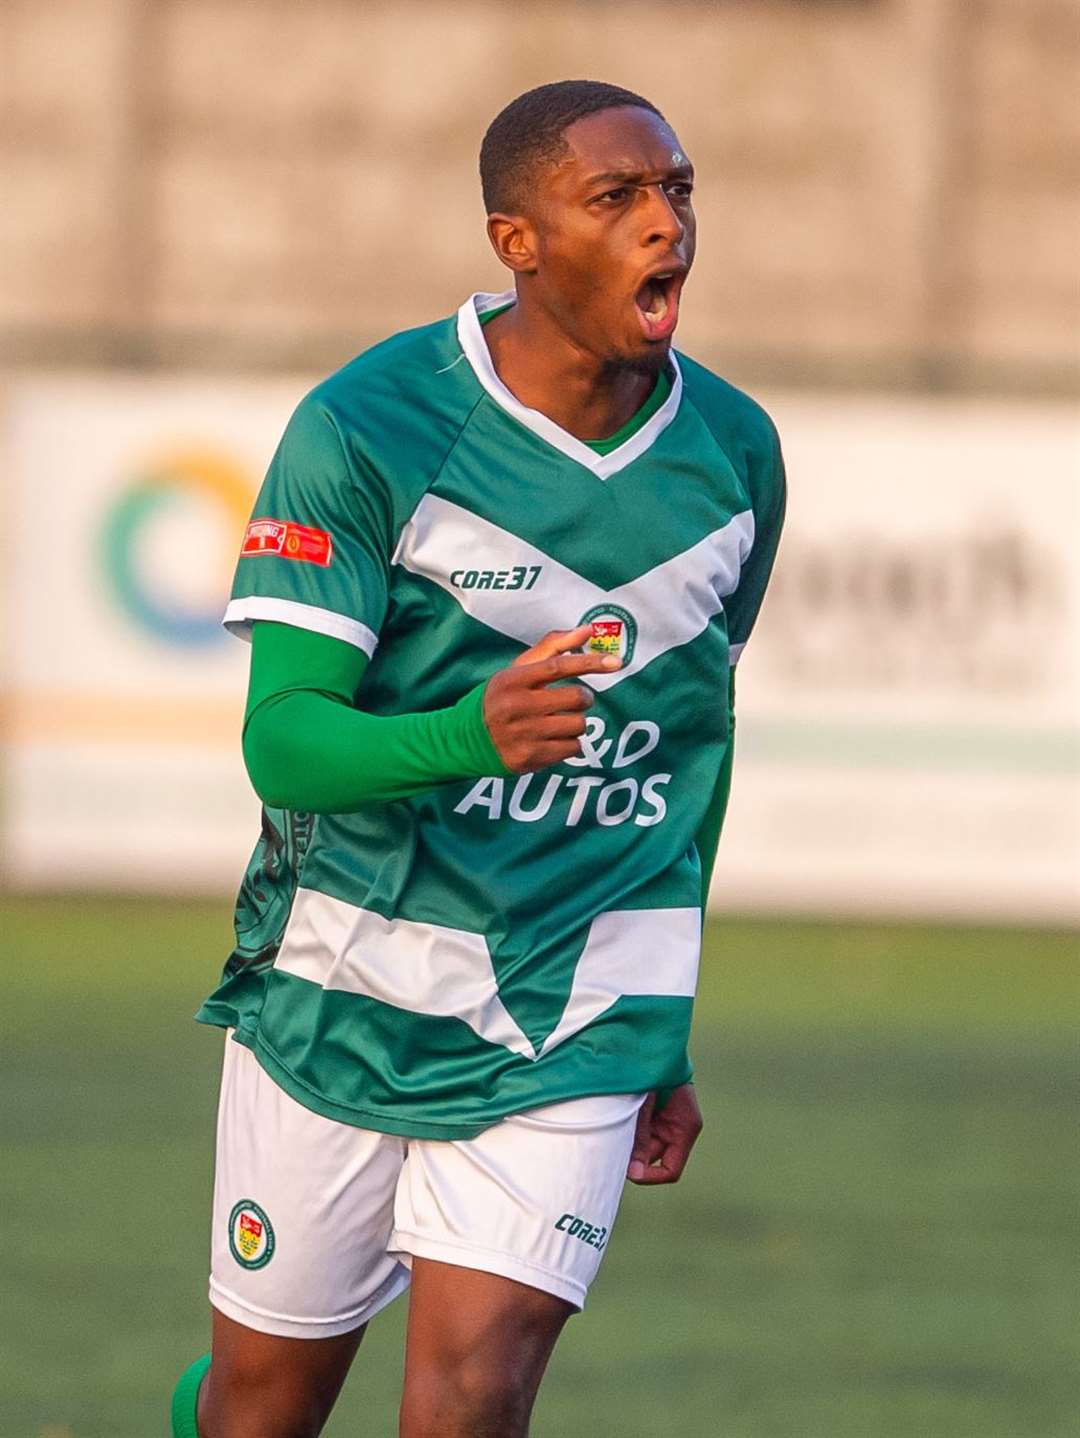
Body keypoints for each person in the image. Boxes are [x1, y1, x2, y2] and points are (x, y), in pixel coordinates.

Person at [171, 78, 785, 1438]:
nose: (662, 223)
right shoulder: (371, 425)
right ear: (518, 241)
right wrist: (471, 734)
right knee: (258, 1411)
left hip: (579, 1003)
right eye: (615, 197)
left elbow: (696, 742)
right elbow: (286, 742)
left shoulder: (737, 454)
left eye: (676, 191)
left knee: (471, 1396)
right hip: (342, 979)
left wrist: (664, 1022)